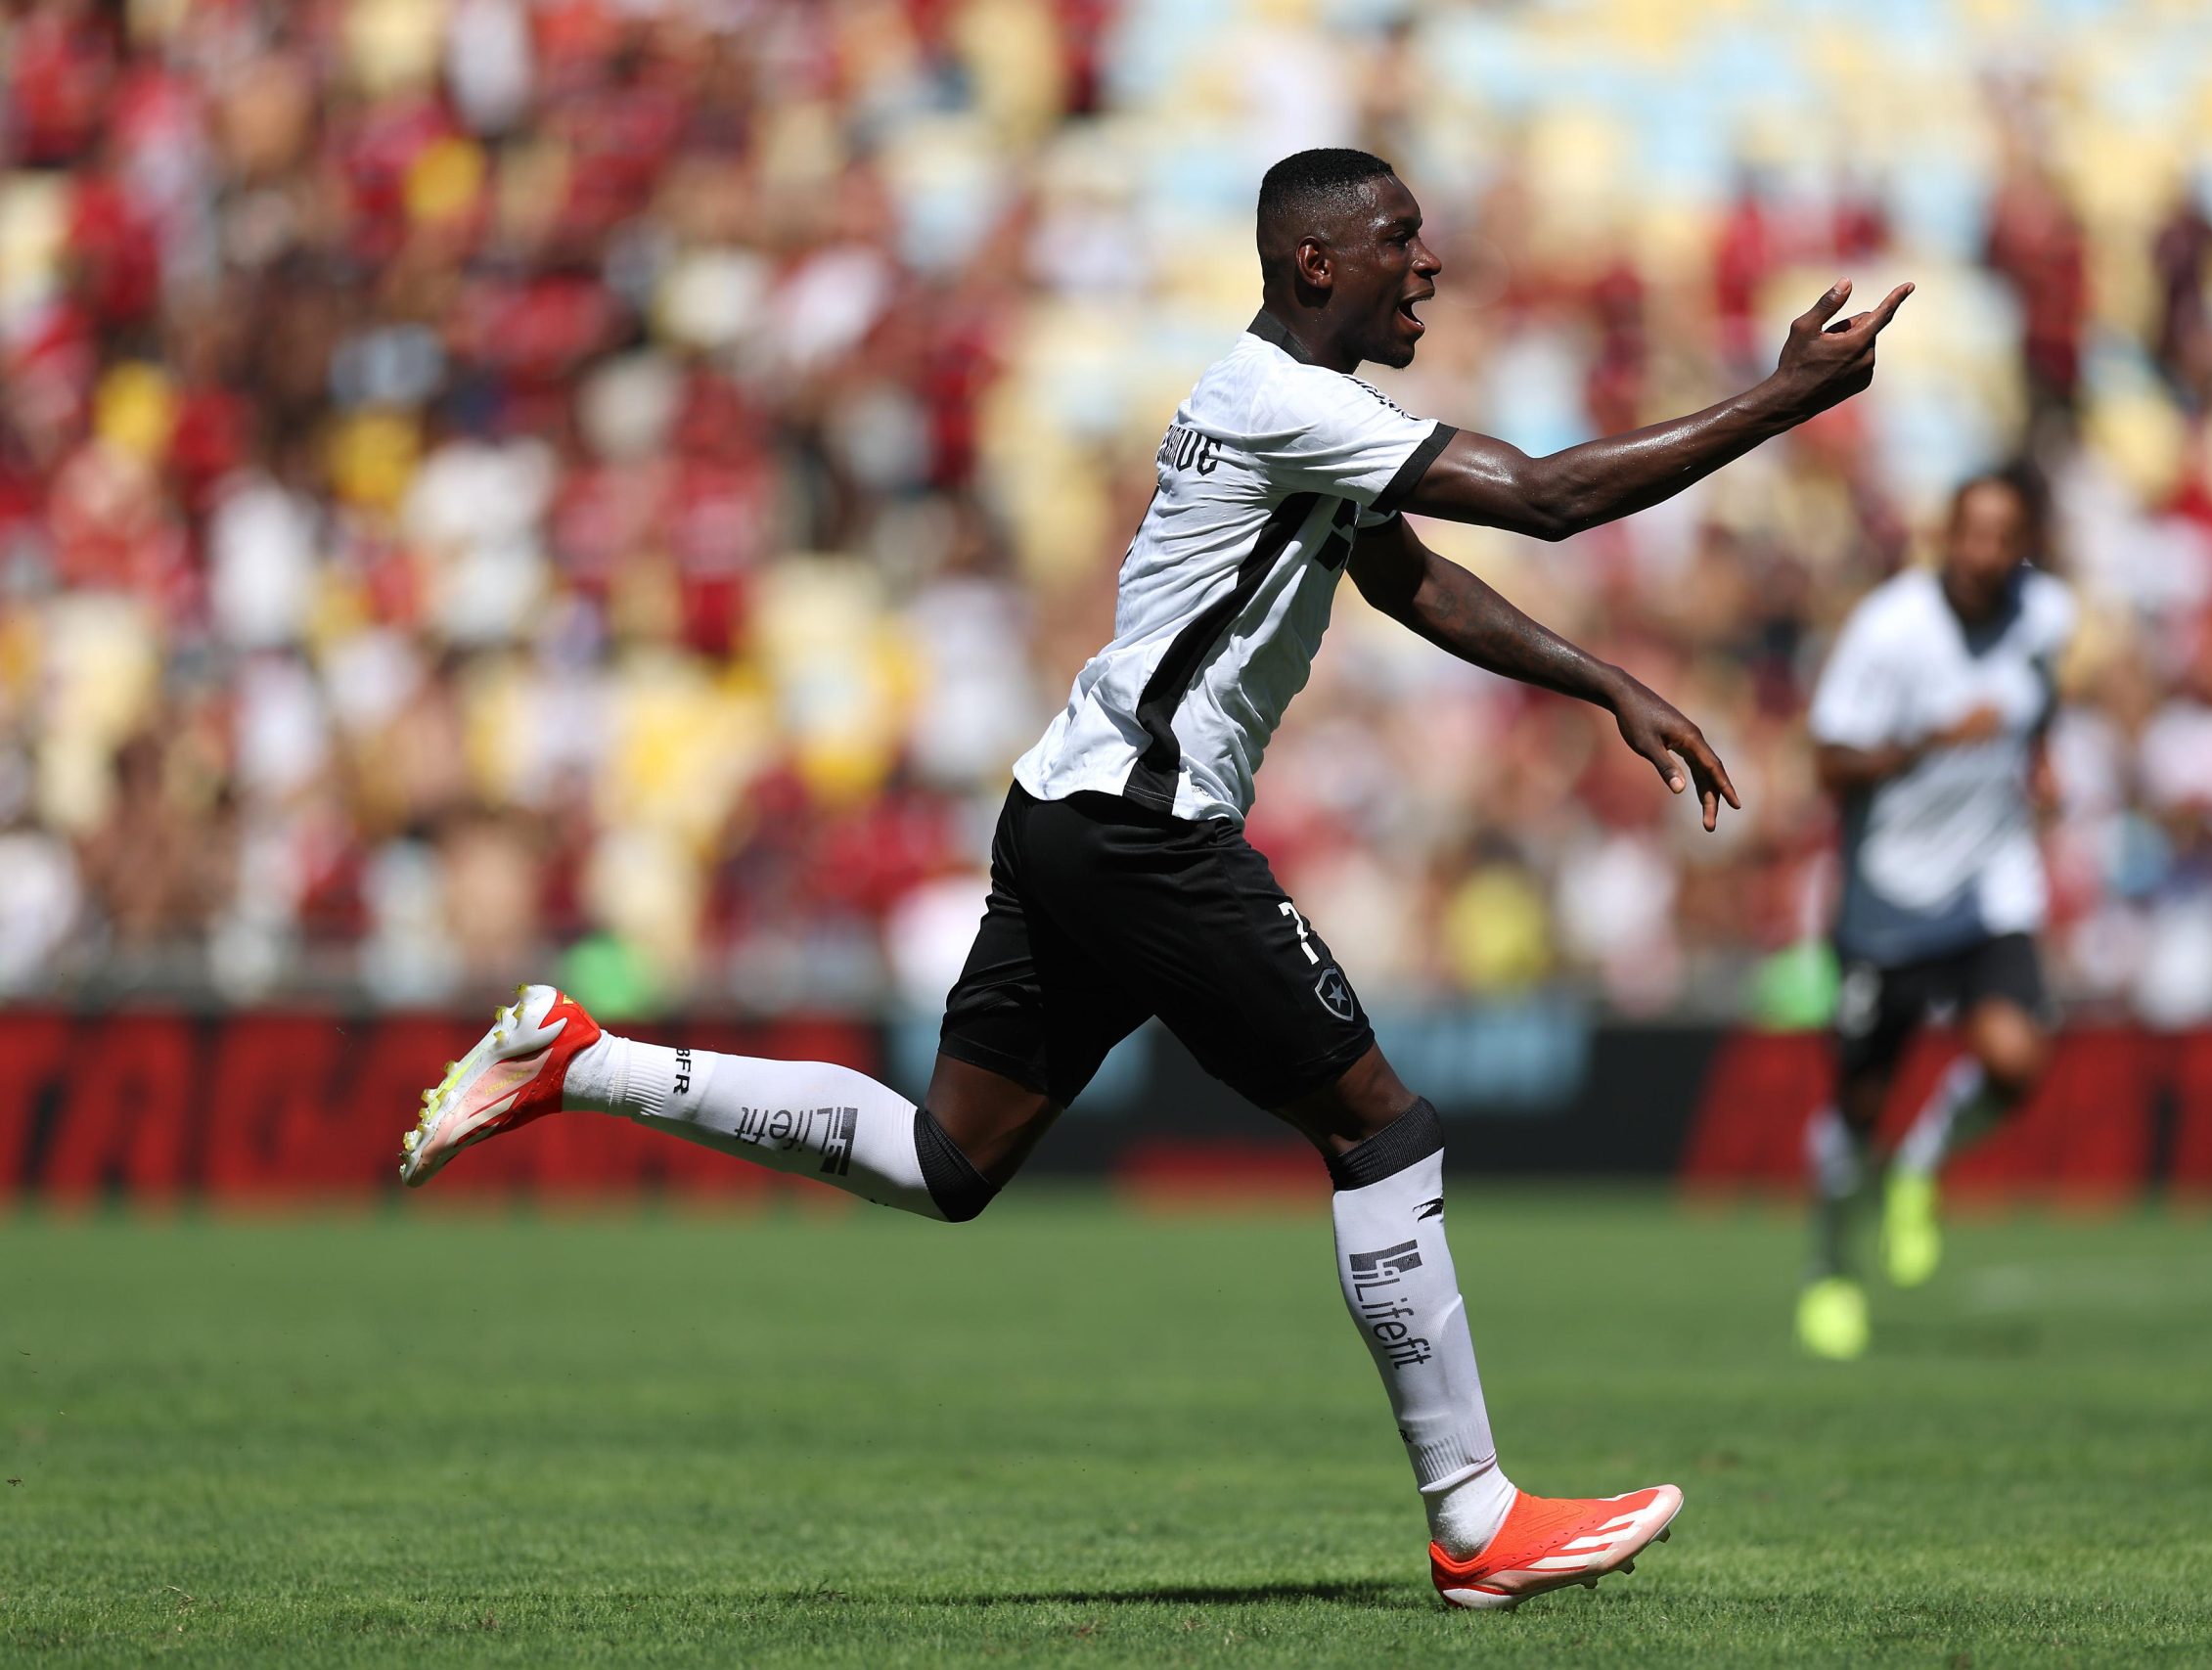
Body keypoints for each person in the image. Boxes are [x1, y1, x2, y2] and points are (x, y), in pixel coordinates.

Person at [399, 148, 1911, 1607]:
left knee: (948, 1160)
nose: (1429, 262)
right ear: (1317, 259)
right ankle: (1477, 1520)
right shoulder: (1279, 401)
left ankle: (579, 1057)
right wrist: (1784, 398)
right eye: (1401, 237)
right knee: (1382, 1129)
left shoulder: (1295, 405)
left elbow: (1411, 577)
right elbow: (1549, 495)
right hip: (1145, 826)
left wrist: (1605, 685)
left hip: (1069, 803)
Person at [1795, 470, 2075, 1362]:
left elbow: (2041, 694)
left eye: (2005, 537)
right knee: (1855, 1111)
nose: (1986, 553)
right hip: (1888, 904)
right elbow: (1829, 765)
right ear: (1943, 535)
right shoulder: (1891, 631)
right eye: (1972, 533)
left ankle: (1921, 1162)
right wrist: (1928, 744)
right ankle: (1832, 1272)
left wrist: (2036, 756)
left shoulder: (2045, 614)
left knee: (2015, 1059)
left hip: (1992, 882)